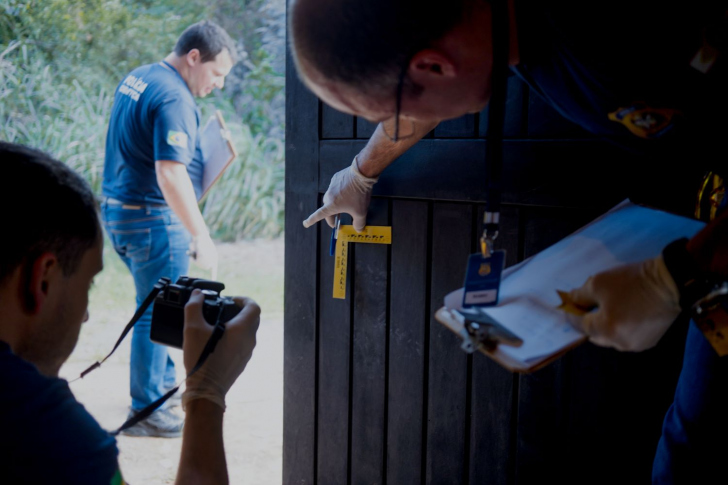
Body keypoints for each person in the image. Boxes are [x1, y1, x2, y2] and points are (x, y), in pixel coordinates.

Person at [289, 0, 728, 481]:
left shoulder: (612, 32)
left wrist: (680, 274)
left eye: (388, 112)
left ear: (435, 65)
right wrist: (360, 172)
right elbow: (420, 109)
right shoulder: (499, 29)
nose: (397, 121)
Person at [0, 142, 261, 484]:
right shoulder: (44, 433)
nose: (85, 317)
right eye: (88, 285)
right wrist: (205, 394)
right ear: (43, 280)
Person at [101, 20, 237, 436]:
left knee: (156, 304)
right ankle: (146, 410)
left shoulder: (139, 77)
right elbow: (170, 173)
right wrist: (201, 235)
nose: (218, 85)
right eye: (216, 74)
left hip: (119, 210)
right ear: (194, 57)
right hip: (151, 219)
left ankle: (157, 389)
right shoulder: (175, 98)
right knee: (156, 311)